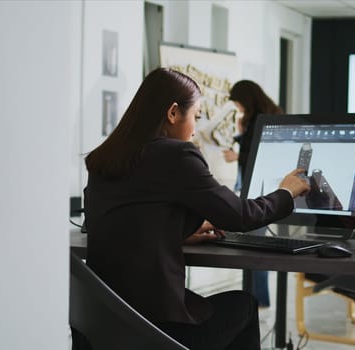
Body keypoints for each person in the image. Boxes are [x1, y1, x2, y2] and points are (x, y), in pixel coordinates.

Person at [83, 68, 310, 350]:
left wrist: (177, 232)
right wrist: (286, 192)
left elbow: (118, 221)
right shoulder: (177, 155)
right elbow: (240, 215)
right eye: (197, 117)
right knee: (244, 305)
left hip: (104, 329)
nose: (195, 129)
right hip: (155, 333)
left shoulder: (104, 158)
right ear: (173, 113)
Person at [222, 80, 283, 308]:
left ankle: (256, 299)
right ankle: (255, 299)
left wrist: (237, 155)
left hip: (258, 189)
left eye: (238, 102)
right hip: (264, 188)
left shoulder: (258, 119)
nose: (237, 107)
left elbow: (261, 155)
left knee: (253, 246)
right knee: (254, 245)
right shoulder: (270, 114)